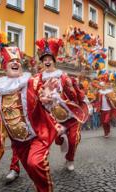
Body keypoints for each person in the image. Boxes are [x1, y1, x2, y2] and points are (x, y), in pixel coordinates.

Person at [0, 31, 60, 192]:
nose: (15, 63)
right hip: (18, 142)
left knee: (35, 163)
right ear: (4, 66)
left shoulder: (31, 82)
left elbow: (45, 95)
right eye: (11, 61)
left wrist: (47, 97)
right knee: (31, 170)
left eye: (18, 61)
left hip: (37, 135)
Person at [36, 38, 88, 171]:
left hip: (70, 115)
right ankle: (60, 140)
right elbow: (34, 96)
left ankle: (70, 159)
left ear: (54, 60)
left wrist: (77, 102)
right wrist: (41, 99)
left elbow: (74, 95)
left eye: (49, 59)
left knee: (73, 140)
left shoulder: (63, 76)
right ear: (42, 62)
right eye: (44, 60)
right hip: (53, 118)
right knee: (56, 139)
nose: (47, 62)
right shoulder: (38, 79)